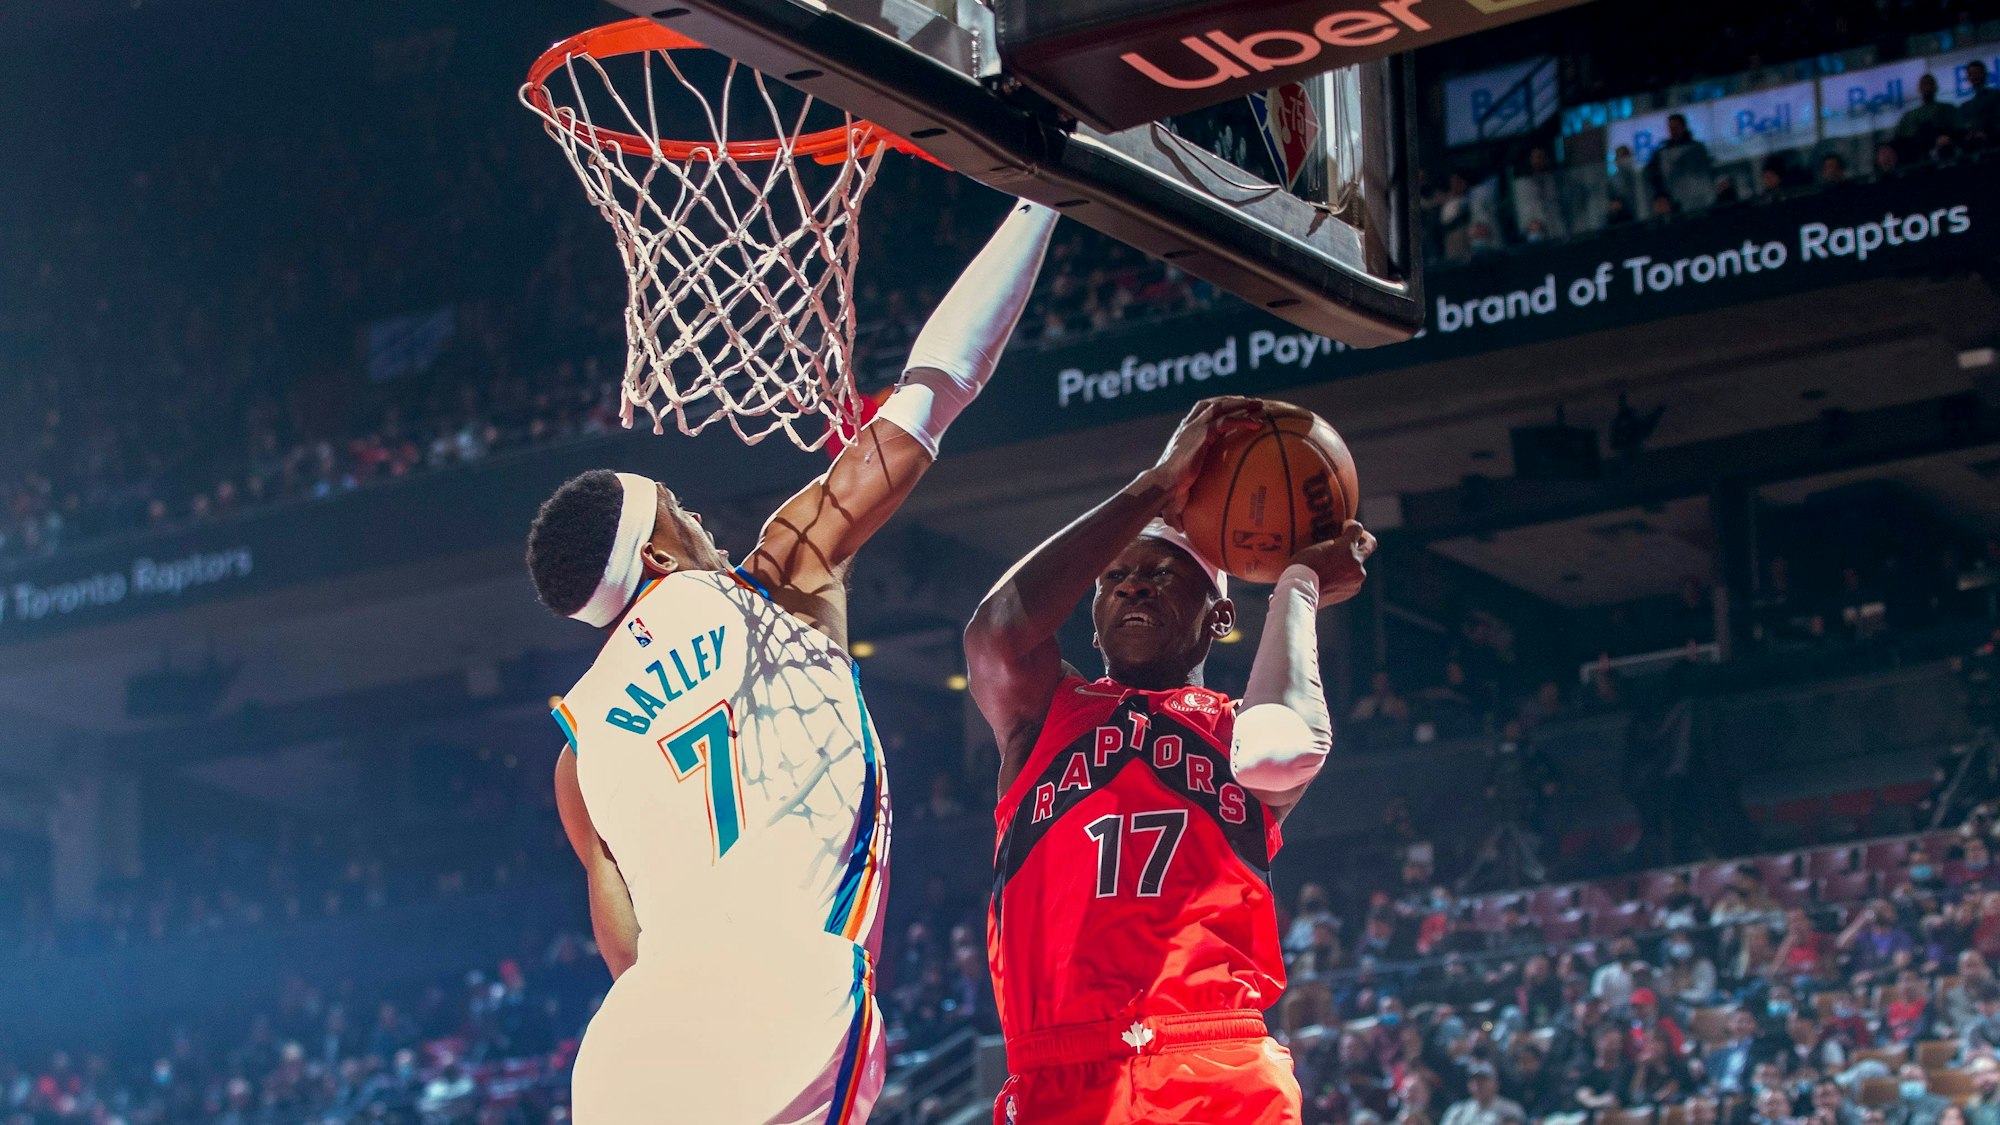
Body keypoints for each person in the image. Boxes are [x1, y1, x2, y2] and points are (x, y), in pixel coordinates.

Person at [529, 200, 1060, 1124]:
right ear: (658, 556)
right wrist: (1041, 200)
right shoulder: (777, 581)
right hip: (780, 1009)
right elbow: (935, 394)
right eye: (676, 510)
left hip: (632, 1055)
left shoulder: (576, 751)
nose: (695, 514)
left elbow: (628, 952)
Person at [965, 395, 1375, 1125]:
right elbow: (995, 634)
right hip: (1059, 1068)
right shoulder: (1044, 715)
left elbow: (1283, 749)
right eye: (1114, 577)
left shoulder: (1234, 729)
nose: (1131, 584)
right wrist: (1159, 483)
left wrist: (1298, 585)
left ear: (1219, 615)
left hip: (1211, 1062)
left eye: (1159, 573)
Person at [1440, 1064, 1525, 1125]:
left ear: (1496, 1084)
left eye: (1483, 1081)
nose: (1478, 1086)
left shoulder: (1511, 1110)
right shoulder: (1457, 1111)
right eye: (1474, 1081)